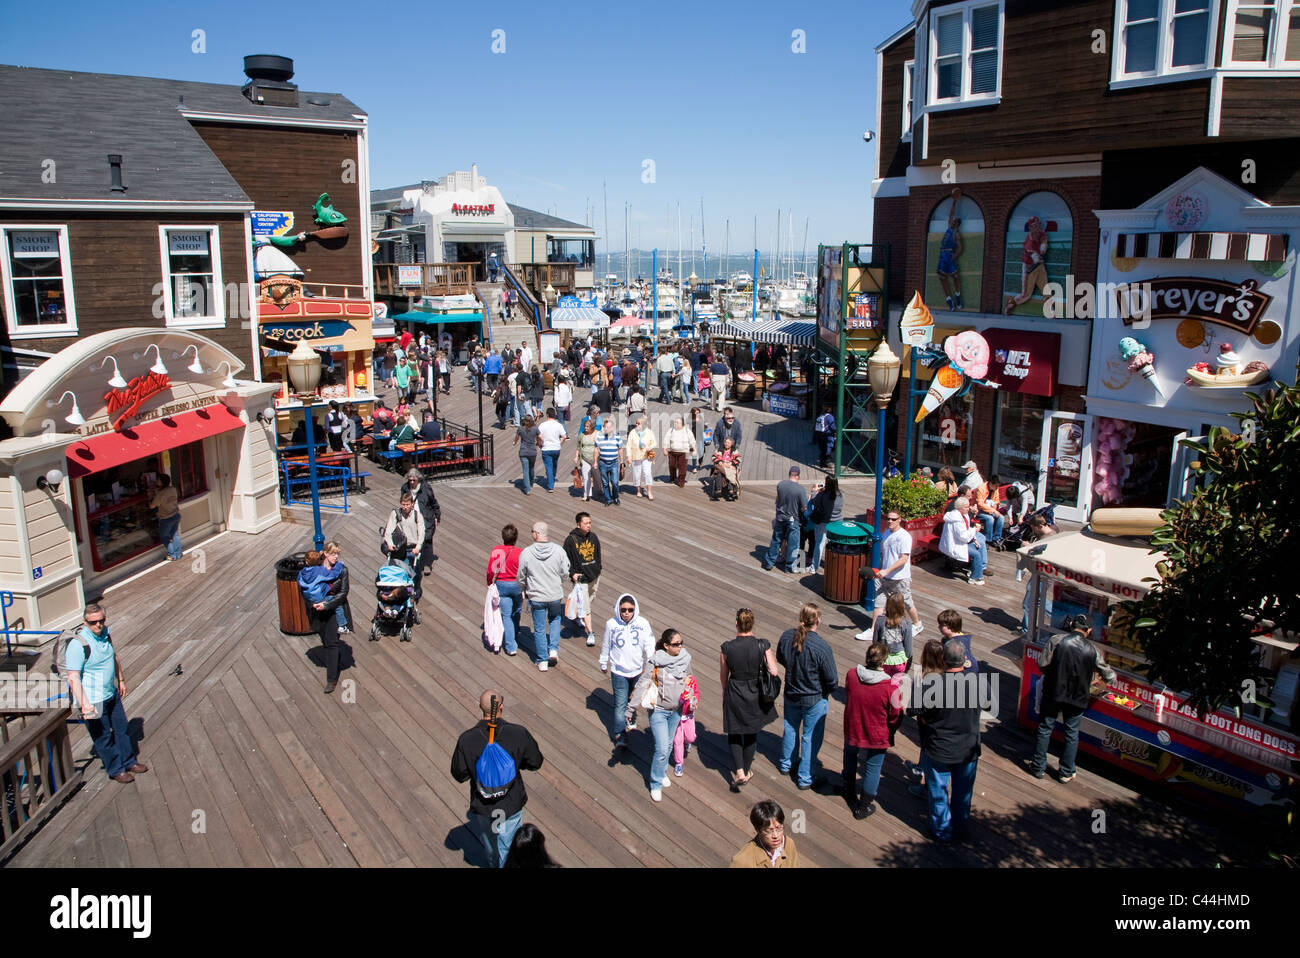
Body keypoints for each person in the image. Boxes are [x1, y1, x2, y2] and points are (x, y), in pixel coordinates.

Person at [450, 690, 544, 868]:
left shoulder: (467, 740)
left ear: (480, 708)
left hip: (484, 807)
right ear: (501, 707)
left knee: (492, 847)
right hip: (510, 804)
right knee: (509, 849)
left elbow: (459, 774)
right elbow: (535, 762)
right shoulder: (518, 734)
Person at [64, 603, 148, 783]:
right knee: (103, 737)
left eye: (101, 621)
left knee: (122, 730)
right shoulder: (78, 645)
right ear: (85, 622)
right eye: (93, 622)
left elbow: (113, 656)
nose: (98, 625)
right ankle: (116, 769)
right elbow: (73, 677)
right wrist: (85, 705)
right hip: (93, 700)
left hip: (111, 693)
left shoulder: (105, 634)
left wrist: (121, 679)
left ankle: (129, 761)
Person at [910, 639, 982, 843]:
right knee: (963, 792)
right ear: (965, 660)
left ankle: (942, 831)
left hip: (939, 748)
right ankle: (960, 826)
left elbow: (912, 709)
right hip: (968, 749)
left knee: (938, 793)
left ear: (943, 659)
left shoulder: (932, 686)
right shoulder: (976, 683)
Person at [1029, 614, 1115, 783]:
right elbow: (1110, 676)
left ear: (1071, 625)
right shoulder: (1093, 651)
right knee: (1071, 734)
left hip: (1053, 692)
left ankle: (1038, 767)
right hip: (1078, 697)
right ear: (1088, 631)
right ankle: (1066, 772)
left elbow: (1042, 664)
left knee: (1045, 728)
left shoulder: (1056, 640)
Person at [776, 603, 838, 790]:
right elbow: (832, 679)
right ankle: (805, 776)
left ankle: (786, 763)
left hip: (792, 692)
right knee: (810, 737)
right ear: (818, 621)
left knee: (790, 728)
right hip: (814, 697)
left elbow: (781, 657)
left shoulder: (787, 637)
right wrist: (824, 691)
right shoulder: (821, 647)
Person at [630, 628, 694, 802]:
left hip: (677, 709)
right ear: (666, 646)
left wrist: (690, 695)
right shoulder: (656, 660)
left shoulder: (685, 658)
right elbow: (644, 682)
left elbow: (690, 679)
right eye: (675, 644)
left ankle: (662, 770)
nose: (679, 647)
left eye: (681, 643)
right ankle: (655, 783)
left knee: (668, 746)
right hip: (658, 709)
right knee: (661, 748)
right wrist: (631, 708)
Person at [720, 609, 779, 791]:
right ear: (752, 624)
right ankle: (746, 769)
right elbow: (774, 671)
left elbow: (724, 675)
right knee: (752, 732)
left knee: (735, 731)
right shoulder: (763, 645)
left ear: (736, 623)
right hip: (756, 692)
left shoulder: (727, 647)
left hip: (735, 690)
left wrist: (725, 691)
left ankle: (739, 771)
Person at [842, 640, 901, 819]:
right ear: (883, 662)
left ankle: (848, 788)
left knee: (850, 756)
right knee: (873, 768)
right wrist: (893, 727)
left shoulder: (852, 675)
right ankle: (864, 805)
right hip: (877, 732)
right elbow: (895, 714)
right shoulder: (891, 688)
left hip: (854, 725)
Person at [516, 521, 571, 671]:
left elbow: (521, 575)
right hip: (554, 594)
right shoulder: (559, 550)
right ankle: (553, 649)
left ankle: (542, 660)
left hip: (536, 596)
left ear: (537, 533)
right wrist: (559, 581)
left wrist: (524, 588)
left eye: (532, 531)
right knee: (554, 620)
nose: (531, 533)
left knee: (539, 628)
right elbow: (566, 572)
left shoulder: (527, 552)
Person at [861, 509, 923, 635]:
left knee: (906, 602)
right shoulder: (886, 533)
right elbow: (884, 555)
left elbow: (904, 559)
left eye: (893, 519)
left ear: (900, 520)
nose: (890, 521)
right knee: (879, 602)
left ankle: (917, 624)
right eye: (888, 519)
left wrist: (887, 570)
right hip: (884, 577)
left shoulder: (904, 536)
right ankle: (873, 629)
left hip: (899, 577)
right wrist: (878, 570)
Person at [304, 542, 351, 693]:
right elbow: (306, 587)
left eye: (337, 554)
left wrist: (326, 605)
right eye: (332, 554)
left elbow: (343, 593)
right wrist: (313, 604)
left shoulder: (342, 570)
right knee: (324, 639)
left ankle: (331, 679)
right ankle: (334, 660)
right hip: (317, 609)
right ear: (325, 553)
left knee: (331, 642)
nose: (335, 557)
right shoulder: (315, 568)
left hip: (333, 608)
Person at [563, 512, 602, 646]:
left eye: (590, 523)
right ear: (578, 524)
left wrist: (598, 569)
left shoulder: (594, 537)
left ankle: (578, 614)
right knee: (586, 607)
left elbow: (597, 554)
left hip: (594, 575)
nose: (588, 526)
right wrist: (572, 574)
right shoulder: (570, 540)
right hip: (581, 579)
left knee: (590, 599)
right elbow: (565, 560)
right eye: (586, 523)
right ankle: (590, 632)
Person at [487, 524, 524, 657]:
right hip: (516, 585)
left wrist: (489, 583)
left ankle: (510, 646)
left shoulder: (497, 550)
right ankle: (516, 630)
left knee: (506, 615)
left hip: (502, 584)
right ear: (516, 538)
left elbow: (491, 570)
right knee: (517, 609)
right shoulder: (520, 552)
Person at [729, 800, 799, 868]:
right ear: (758, 830)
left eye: (779, 828)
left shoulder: (789, 845)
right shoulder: (742, 861)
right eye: (769, 831)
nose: (775, 836)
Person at [763, 466, 808, 572]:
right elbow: (804, 508)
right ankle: (789, 566)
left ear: (789, 474)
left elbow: (777, 500)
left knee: (776, 540)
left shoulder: (781, 484)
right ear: (798, 476)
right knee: (793, 543)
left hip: (780, 517)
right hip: (793, 519)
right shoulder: (800, 489)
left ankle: (770, 563)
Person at [384, 491, 425, 597]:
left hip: (412, 548)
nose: (405, 507)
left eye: (407, 504)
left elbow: (421, 533)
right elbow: (388, 531)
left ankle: (412, 593)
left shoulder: (417, 515)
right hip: (400, 548)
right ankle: (398, 593)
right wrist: (390, 543)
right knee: (398, 571)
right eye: (403, 504)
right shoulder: (396, 514)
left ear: (412, 504)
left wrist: (418, 547)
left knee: (412, 573)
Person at [401, 469, 441, 578]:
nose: (412, 482)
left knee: (427, 541)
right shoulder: (405, 488)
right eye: (410, 480)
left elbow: (434, 503)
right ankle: (413, 562)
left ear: (418, 479)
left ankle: (427, 564)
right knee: (413, 539)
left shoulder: (426, 489)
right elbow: (403, 501)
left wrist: (437, 516)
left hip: (426, 518)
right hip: (411, 518)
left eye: (414, 480)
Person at [939, 496, 987, 585]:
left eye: (968, 506)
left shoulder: (964, 516)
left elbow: (966, 531)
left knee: (979, 546)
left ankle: (975, 570)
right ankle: (974, 578)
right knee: (976, 555)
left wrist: (974, 539)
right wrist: (974, 530)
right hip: (954, 544)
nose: (968, 509)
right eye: (966, 507)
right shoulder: (956, 520)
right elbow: (963, 536)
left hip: (961, 541)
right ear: (960, 508)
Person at [870, 592, 915, 678]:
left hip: (883, 659)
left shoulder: (880, 620)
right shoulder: (906, 624)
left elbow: (875, 641)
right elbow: (908, 646)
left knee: (883, 681)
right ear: (902, 607)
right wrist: (908, 658)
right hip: (899, 661)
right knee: (896, 684)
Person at [806, 476, 843, 573]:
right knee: (835, 545)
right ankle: (834, 567)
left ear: (826, 483)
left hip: (822, 523)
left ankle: (814, 568)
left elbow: (813, 502)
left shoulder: (822, 495)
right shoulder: (841, 494)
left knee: (819, 544)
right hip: (836, 523)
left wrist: (815, 491)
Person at [147, 473, 182, 562]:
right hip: (176, 515)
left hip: (167, 518)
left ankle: (172, 555)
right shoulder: (173, 489)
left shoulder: (161, 493)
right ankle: (178, 553)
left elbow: (152, 506)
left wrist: (150, 496)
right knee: (174, 534)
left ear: (161, 482)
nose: (156, 481)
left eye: (158, 480)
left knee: (164, 536)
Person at [536, 407, 568, 493]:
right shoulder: (558, 425)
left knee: (548, 466)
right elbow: (564, 436)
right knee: (554, 465)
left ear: (547, 415)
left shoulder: (542, 425)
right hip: (556, 448)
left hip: (546, 448)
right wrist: (559, 443)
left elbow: (539, 437)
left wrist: (539, 444)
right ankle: (552, 480)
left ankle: (550, 486)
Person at [595, 418, 625, 506]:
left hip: (614, 463)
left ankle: (615, 497)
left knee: (615, 482)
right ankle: (608, 499)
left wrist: (621, 461)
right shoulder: (600, 437)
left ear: (612, 428)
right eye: (605, 427)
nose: (606, 429)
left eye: (608, 427)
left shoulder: (617, 437)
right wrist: (595, 461)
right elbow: (596, 449)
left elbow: (620, 449)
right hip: (603, 463)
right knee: (605, 482)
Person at [626, 414, 657, 500]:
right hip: (635, 455)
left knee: (647, 473)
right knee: (637, 473)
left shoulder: (649, 432)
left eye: (638, 423)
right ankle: (638, 490)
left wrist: (649, 447)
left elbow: (654, 442)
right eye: (636, 423)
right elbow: (628, 445)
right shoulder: (632, 432)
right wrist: (628, 456)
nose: (636, 425)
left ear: (643, 424)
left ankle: (649, 491)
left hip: (646, 456)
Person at [663, 415, 696, 488]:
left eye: (677, 422)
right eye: (675, 422)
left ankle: (681, 481)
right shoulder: (671, 430)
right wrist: (664, 449)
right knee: (672, 466)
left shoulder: (687, 431)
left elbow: (692, 441)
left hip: (683, 452)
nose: (675, 424)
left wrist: (694, 449)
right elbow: (666, 439)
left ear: (682, 424)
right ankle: (672, 478)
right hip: (672, 452)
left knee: (682, 468)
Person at [972, 475, 1005, 548]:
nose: (997, 488)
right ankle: (987, 539)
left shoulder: (995, 489)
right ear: (991, 483)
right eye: (996, 486)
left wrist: (994, 508)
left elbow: (996, 500)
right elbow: (980, 504)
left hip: (989, 510)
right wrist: (993, 510)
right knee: (990, 519)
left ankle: (996, 539)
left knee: (1001, 518)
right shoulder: (981, 488)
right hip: (978, 511)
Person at [574, 417, 602, 502]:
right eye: (585, 426)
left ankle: (599, 490)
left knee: (597, 477)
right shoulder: (582, 435)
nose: (585, 428)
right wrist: (576, 457)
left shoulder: (598, 434)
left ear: (592, 427)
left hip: (595, 458)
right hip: (585, 457)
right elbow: (579, 447)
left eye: (587, 427)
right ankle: (587, 495)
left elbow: (601, 445)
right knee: (586, 477)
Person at [514, 413, 540, 496]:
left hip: (523, 451)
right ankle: (531, 482)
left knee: (525, 470)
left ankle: (527, 489)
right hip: (532, 451)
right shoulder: (535, 429)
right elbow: (539, 437)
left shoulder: (520, 429)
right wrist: (538, 443)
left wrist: (514, 442)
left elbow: (516, 438)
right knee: (531, 468)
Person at [710, 435, 742, 501]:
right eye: (725, 442)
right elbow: (713, 457)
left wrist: (731, 463)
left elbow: (738, 459)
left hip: (730, 466)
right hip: (722, 466)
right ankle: (718, 490)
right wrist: (719, 462)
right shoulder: (719, 449)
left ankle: (731, 490)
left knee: (732, 471)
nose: (726, 444)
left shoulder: (734, 451)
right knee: (718, 472)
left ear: (731, 444)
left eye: (728, 443)